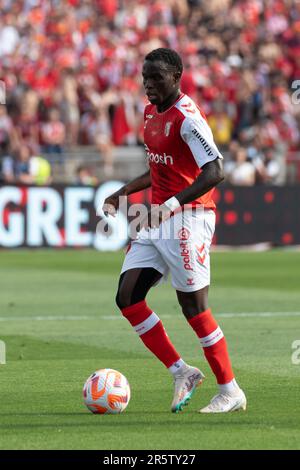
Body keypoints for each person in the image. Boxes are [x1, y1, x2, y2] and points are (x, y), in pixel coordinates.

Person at [103, 48, 246, 413]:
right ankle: (182, 371)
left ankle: (230, 390)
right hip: (158, 218)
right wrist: (123, 191)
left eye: (156, 78)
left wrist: (168, 206)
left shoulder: (188, 118)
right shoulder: (151, 112)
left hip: (189, 217)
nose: (148, 84)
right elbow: (160, 167)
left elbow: (215, 171)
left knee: (194, 307)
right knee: (127, 296)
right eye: (145, 77)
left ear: (177, 76)